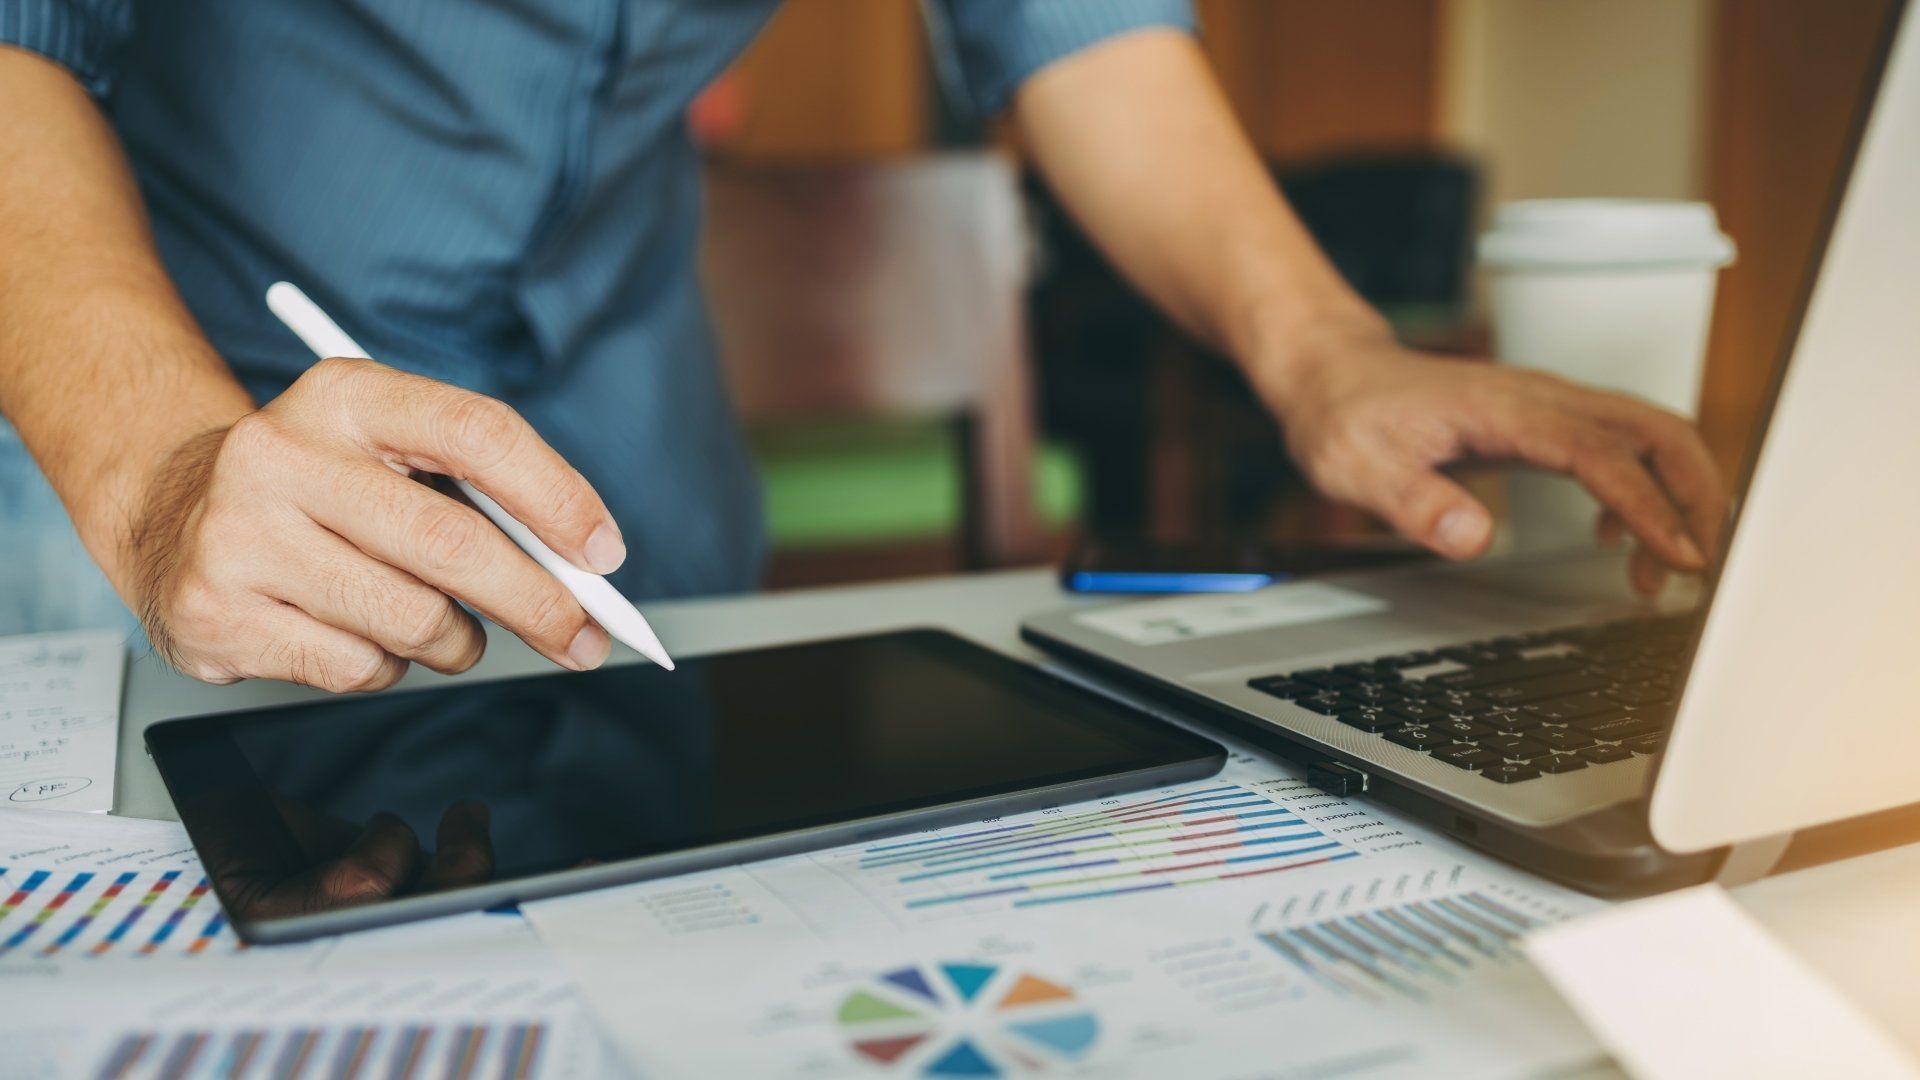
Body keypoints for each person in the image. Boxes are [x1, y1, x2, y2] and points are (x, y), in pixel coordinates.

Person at [0, 2, 1725, 694]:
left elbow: (1075, 24)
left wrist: (1326, 348)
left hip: (621, 408)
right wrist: (160, 475)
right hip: (160, 391)